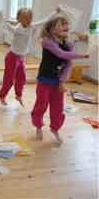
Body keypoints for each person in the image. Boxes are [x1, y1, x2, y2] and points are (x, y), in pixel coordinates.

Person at [31, 16, 90, 144]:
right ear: (52, 29)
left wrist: (62, 81)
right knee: (41, 105)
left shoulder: (68, 44)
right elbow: (61, 54)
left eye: (66, 24)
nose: (66, 26)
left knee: (58, 107)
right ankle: (38, 125)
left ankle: (55, 128)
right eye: (62, 24)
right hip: (44, 80)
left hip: (58, 82)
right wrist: (81, 55)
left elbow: (69, 63)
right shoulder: (47, 42)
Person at [0, 7, 60, 106]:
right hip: (12, 57)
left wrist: (55, 12)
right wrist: (3, 19)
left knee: (21, 78)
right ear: (19, 19)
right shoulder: (17, 29)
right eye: (25, 18)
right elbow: (7, 25)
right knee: (9, 80)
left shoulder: (31, 26)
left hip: (21, 57)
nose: (28, 20)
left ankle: (18, 95)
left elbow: (45, 21)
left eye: (30, 18)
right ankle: (2, 96)